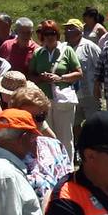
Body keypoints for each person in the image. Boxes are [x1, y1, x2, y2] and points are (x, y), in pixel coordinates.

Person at [30, 21, 83, 161]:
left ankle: (68, 168)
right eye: (46, 33)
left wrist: (60, 78)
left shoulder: (67, 50)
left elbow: (78, 73)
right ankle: (51, 164)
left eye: (52, 33)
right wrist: (41, 78)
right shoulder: (38, 53)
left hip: (63, 99)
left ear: (57, 34)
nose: (50, 36)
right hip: (44, 100)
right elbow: (30, 75)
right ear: (42, 36)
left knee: (65, 136)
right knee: (47, 135)